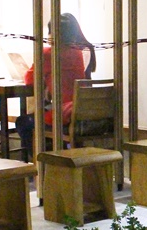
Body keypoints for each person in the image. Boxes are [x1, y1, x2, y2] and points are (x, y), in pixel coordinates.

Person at [15, 13, 91, 155]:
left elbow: (30, 80)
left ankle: (42, 161)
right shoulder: (78, 53)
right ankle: (57, 155)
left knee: (23, 122)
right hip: (79, 111)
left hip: (62, 114)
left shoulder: (48, 53)